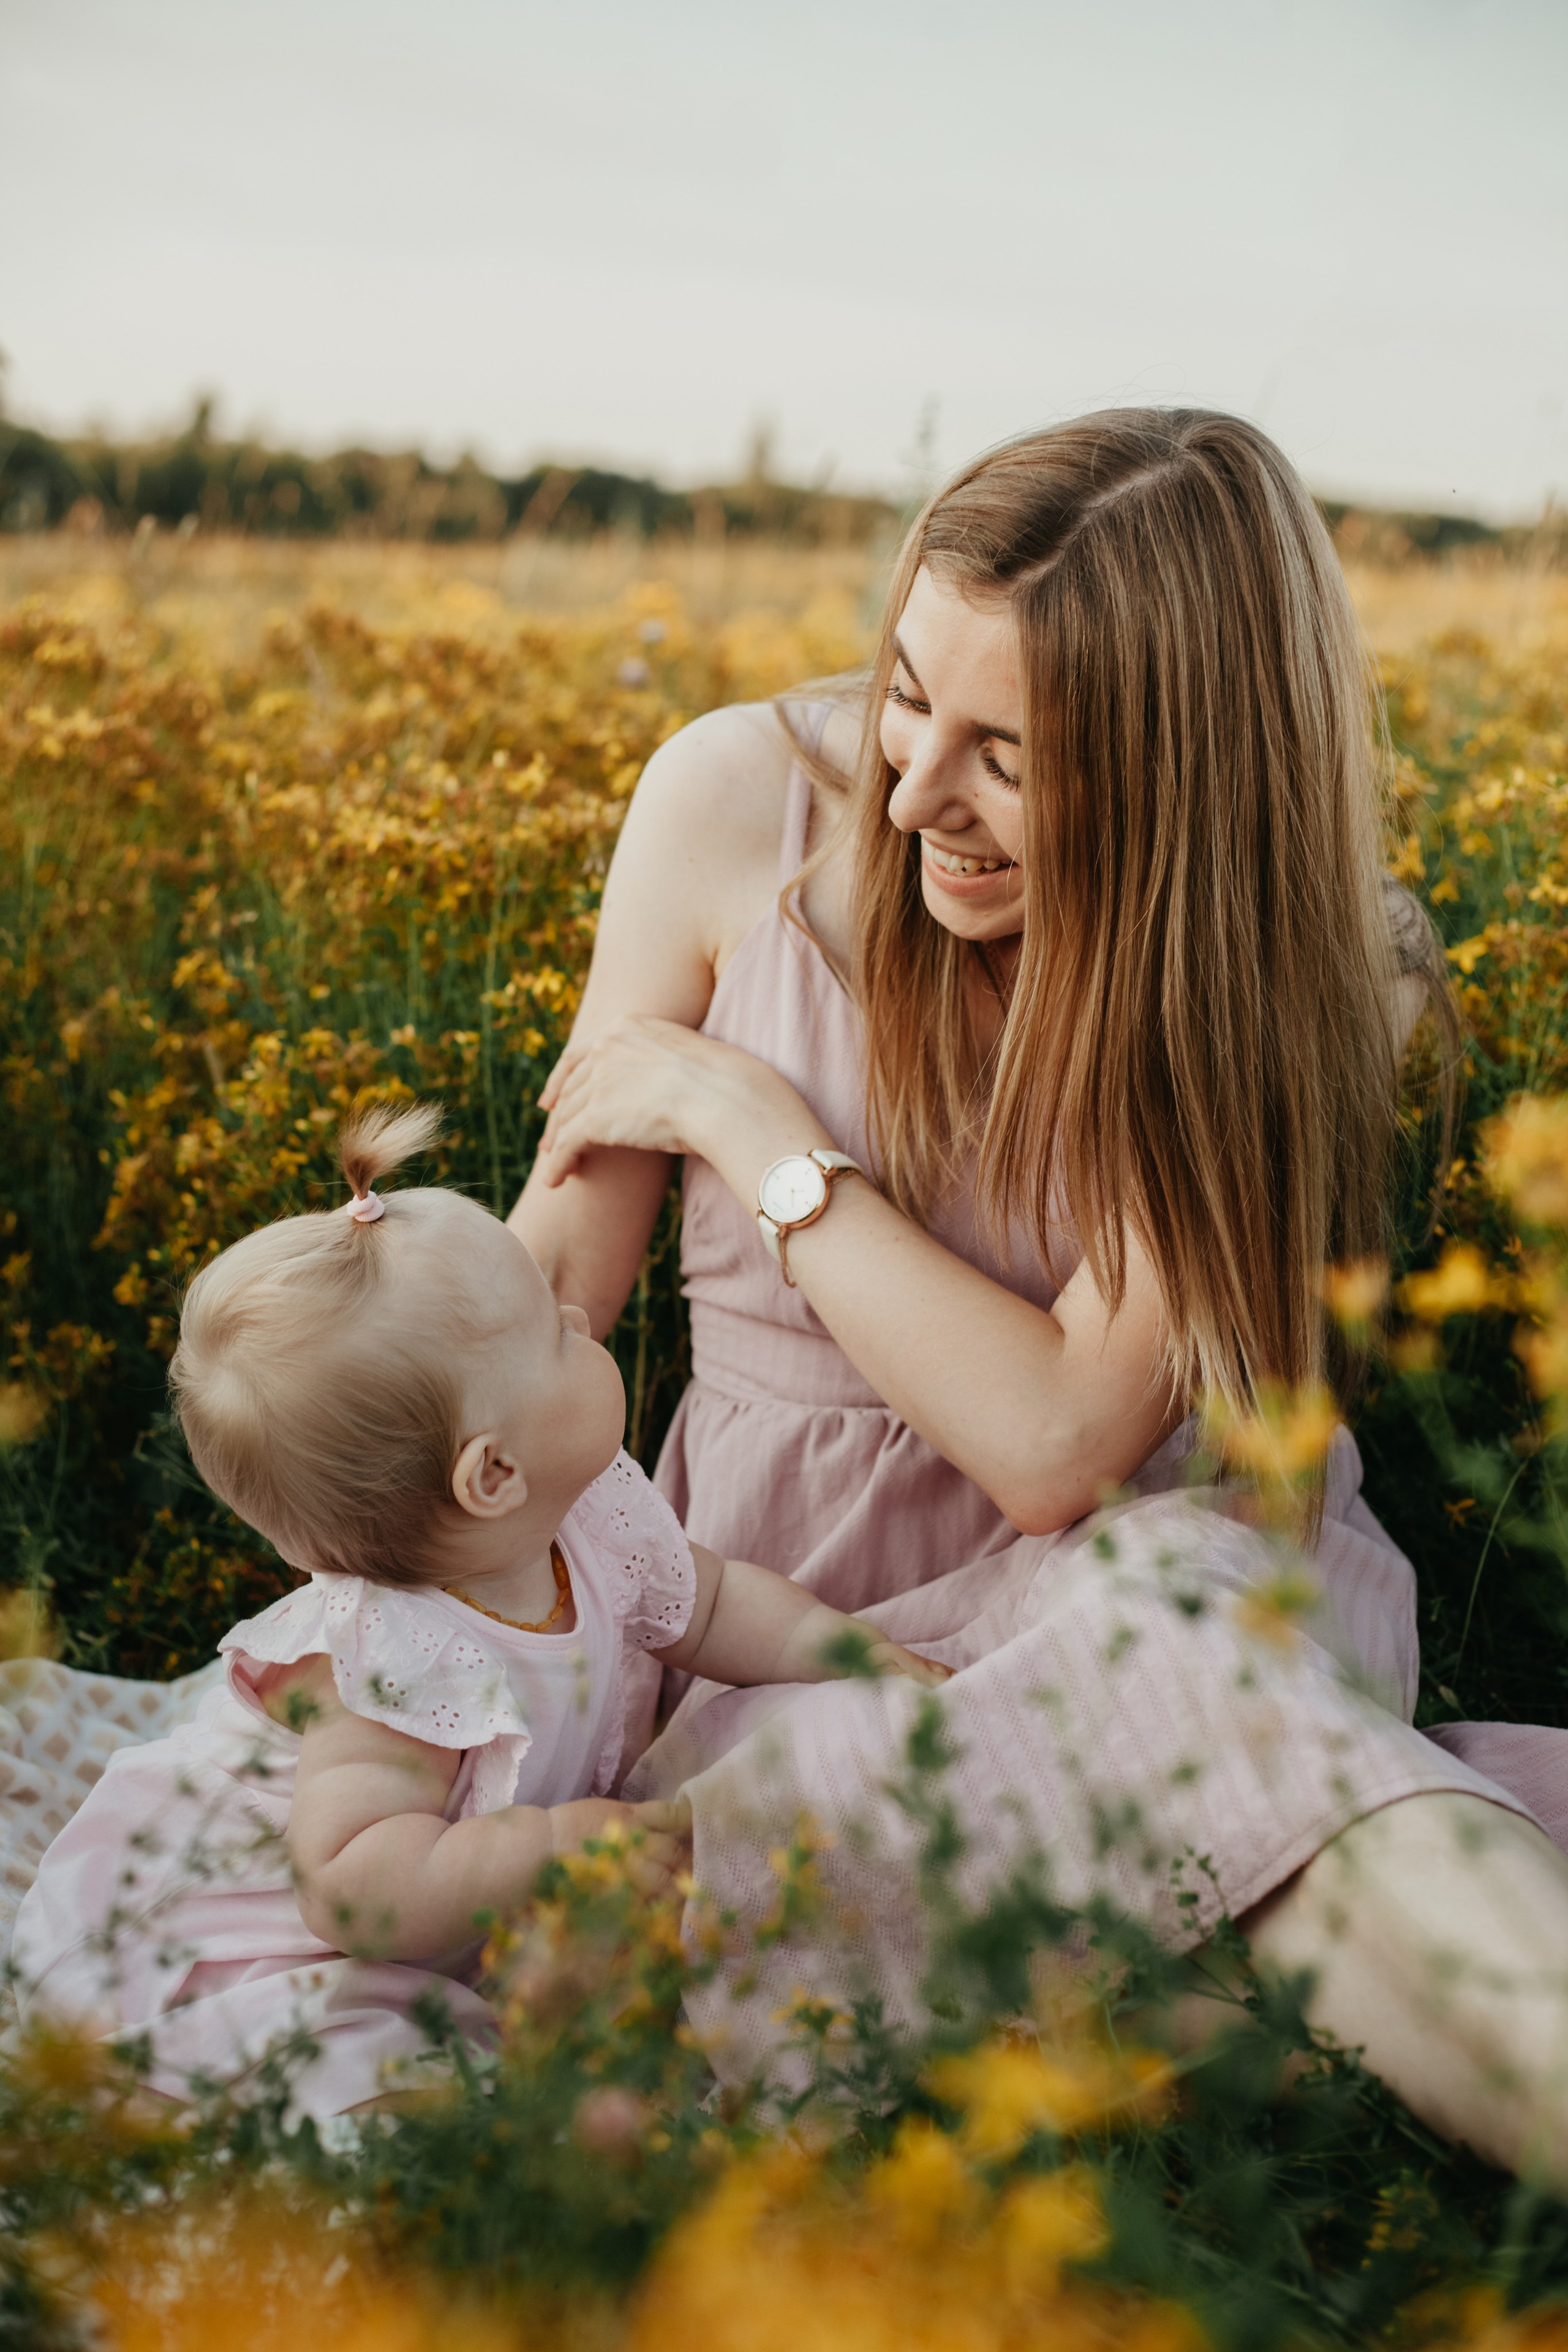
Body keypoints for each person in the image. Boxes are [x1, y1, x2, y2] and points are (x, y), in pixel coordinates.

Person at [510, 409, 1568, 2182]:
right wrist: (394, 1364)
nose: (917, 791)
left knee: (1193, 1670)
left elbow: (1062, 1443)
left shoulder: (1287, 954)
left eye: (1012, 752)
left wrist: (754, 1131)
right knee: (1286, 1900)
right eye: (910, 693)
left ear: (1193, 774)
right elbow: (544, 1310)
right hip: (804, 1631)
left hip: (1152, 1599)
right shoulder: (724, 804)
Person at [12, 1106, 943, 2118]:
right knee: (402, 2085)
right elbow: (352, 1890)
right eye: (555, 1331)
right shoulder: (390, 1670)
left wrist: (842, 1650)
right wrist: (548, 1851)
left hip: (418, 1927)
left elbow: (710, 1604)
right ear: (493, 1472)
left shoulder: (585, 1514)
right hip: (262, 1945)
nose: (582, 1322)